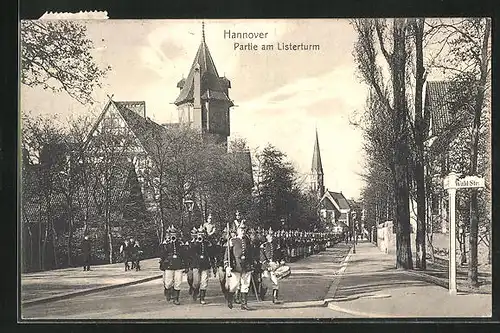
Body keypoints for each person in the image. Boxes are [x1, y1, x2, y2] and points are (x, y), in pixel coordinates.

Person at [224, 220, 254, 310]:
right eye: (241, 229)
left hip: (246, 265)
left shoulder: (248, 241)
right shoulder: (232, 240)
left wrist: (252, 264)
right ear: (237, 231)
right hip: (236, 265)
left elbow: (251, 253)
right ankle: (230, 299)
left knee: (245, 284)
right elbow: (227, 254)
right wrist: (227, 265)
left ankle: (244, 304)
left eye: (244, 229)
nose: (243, 231)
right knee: (234, 285)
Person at [159, 225, 187, 305]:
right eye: (172, 233)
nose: (173, 235)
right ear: (169, 234)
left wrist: (186, 265)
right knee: (168, 283)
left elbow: (184, 254)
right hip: (169, 265)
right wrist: (165, 244)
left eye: (175, 233)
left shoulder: (180, 243)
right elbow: (162, 254)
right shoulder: (166, 243)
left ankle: (176, 298)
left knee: (178, 282)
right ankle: (168, 291)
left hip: (178, 265)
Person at [188, 226, 214, 305]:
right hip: (196, 265)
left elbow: (211, 254)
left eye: (202, 234)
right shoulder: (193, 243)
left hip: (205, 265)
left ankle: (202, 298)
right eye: (199, 234)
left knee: (204, 282)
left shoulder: (207, 243)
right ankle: (195, 291)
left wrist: (213, 265)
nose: (200, 235)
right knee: (196, 282)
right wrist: (195, 242)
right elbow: (191, 252)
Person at [260, 228, 285, 304]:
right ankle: (262, 295)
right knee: (265, 282)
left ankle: (275, 298)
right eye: (269, 235)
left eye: (272, 235)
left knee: (275, 282)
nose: (271, 237)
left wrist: (281, 261)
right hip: (266, 266)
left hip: (274, 265)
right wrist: (267, 265)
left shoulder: (276, 245)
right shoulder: (263, 246)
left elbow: (280, 254)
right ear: (266, 236)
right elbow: (262, 257)